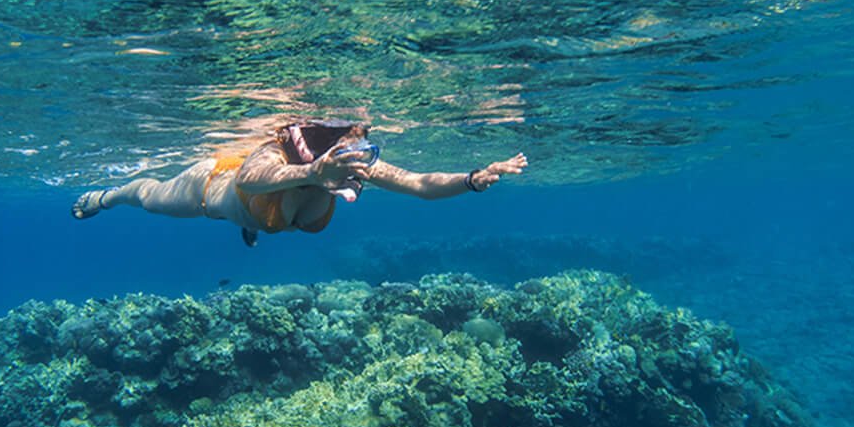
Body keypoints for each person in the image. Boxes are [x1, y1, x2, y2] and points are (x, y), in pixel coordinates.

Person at [71, 119, 527, 245]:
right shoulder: (278, 150)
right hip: (209, 189)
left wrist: (471, 178)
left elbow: (421, 184)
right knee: (148, 198)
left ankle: (249, 227)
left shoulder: (354, 165)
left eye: (361, 146)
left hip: (261, 211)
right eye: (347, 147)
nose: (356, 157)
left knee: (257, 218)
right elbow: (252, 177)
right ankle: (105, 196)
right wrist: (312, 172)